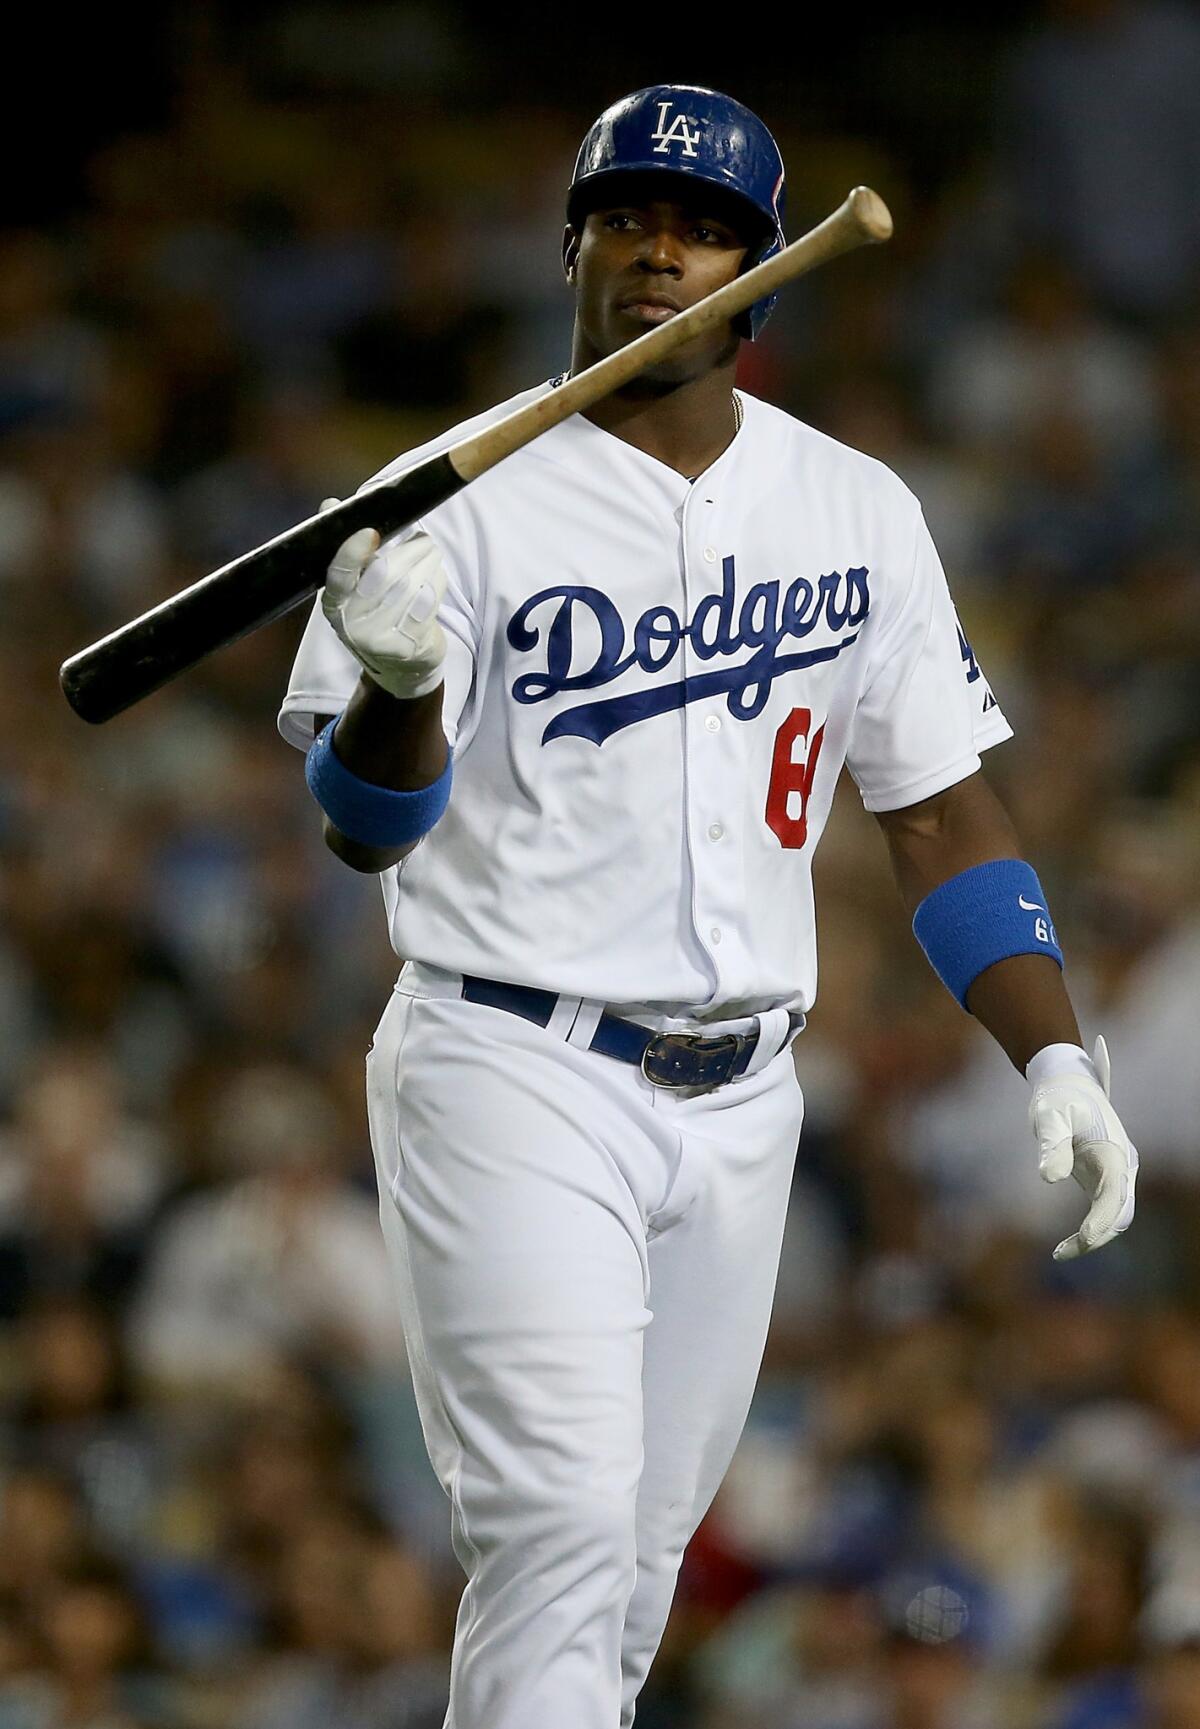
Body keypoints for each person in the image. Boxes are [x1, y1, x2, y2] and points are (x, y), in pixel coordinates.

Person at [277, 84, 1139, 1729]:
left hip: (747, 1098)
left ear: (764, 268)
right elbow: (364, 830)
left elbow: (942, 806)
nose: (664, 250)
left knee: (634, 1571)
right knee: (559, 1523)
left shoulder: (856, 507)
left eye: (709, 226)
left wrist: (1054, 1053)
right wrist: (394, 685)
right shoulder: (455, 492)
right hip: (512, 1063)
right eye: (630, 217)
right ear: (577, 251)